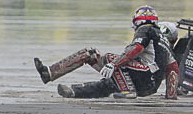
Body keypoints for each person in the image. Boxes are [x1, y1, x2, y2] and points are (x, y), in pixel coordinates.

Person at [34, 6, 179, 100]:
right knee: (107, 83)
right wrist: (170, 96)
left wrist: (114, 64)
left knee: (109, 58)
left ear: (137, 21)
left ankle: (127, 91)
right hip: (148, 84)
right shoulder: (165, 43)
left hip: (143, 75)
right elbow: (173, 70)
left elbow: (135, 49)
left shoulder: (146, 29)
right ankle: (71, 89)